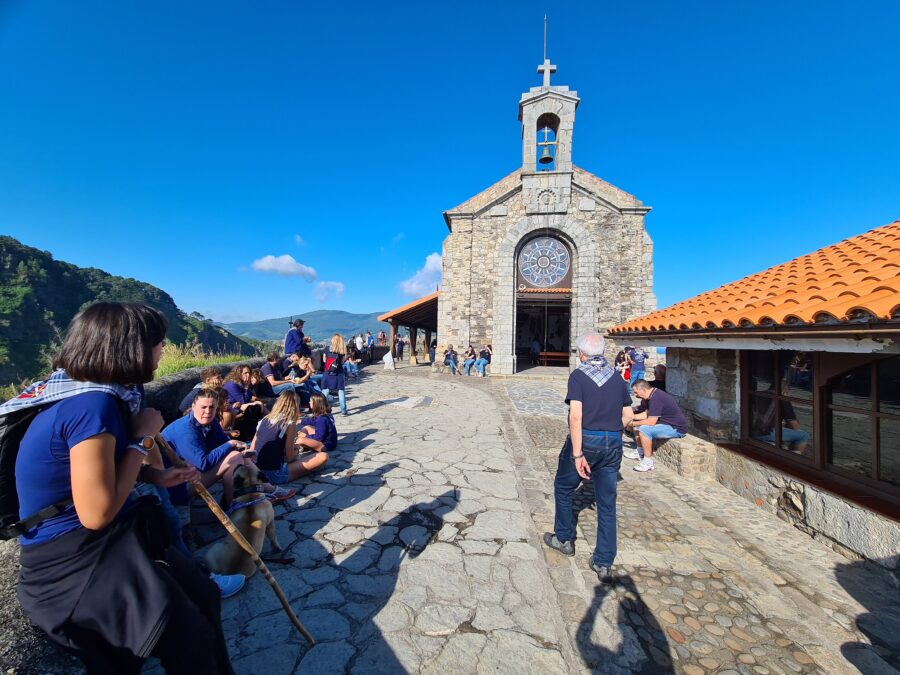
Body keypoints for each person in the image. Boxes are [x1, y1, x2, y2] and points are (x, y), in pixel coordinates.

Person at [10, 302, 235, 674]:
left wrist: (154, 477)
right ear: (129, 348)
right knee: (189, 637)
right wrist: (143, 438)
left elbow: (95, 475)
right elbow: (96, 513)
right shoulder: (90, 406)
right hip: (72, 560)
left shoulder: (100, 395)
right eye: (158, 342)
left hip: (106, 539)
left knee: (204, 595)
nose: (163, 349)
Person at [543, 331, 633, 583]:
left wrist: (578, 452)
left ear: (581, 353)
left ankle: (563, 539)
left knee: (563, 486)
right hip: (613, 442)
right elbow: (628, 417)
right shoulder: (617, 378)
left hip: (587, 440)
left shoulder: (579, 376)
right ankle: (603, 562)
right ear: (602, 351)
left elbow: (575, 416)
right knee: (606, 502)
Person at [161, 389, 294, 506]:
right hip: (176, 487)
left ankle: (261, 491)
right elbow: (203, 464)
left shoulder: (210, 422)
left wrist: (242, 451)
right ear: (193, 406)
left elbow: (223, 442)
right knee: (234, 457)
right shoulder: (186, 430)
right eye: (203, 407)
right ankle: (235, 504)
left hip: (191, 475)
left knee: (238, 456)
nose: (207, 411)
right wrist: (231, 444)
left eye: (211, 407)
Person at [251, 391, 328, 484]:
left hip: (256, 469)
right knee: (323, 456)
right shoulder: (289, 423)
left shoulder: (264, 419)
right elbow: (290, 457)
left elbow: (253, 448)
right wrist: (296, 449)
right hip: (274, 474)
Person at [626, 379, 688, 472]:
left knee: (644, 429)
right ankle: (640, 452)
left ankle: (648, 462)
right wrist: (631, 417)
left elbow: (651, 421)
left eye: (635, 392)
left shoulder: (656, 398)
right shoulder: (652, 396)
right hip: (665, 424)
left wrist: (632, 423)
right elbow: (646, 414)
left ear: (642, 390)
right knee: (638, 424)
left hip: (676, 428)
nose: (635, 395)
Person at [222, 365, 266, 440]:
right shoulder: (232, 384)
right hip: (231, 407)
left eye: (249, 373)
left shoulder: (241, 384)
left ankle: (268, 421)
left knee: (257, 406)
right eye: (245, 373)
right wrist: (246, 386)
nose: (248, 375)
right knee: (254, 407)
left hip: (238, 406)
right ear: (239, 374)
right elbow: (243, 401)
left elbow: (249, 397)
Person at [321, 334, 349, 416]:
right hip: (338, 373)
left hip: (327, 372)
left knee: (325, 391)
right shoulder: (342, 351)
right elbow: (342, 362)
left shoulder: (327, 348)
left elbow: (324, 360)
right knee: (341, 391)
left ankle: (322, 410)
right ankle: (343, 411)